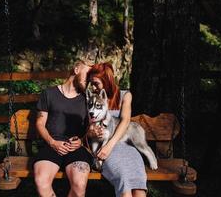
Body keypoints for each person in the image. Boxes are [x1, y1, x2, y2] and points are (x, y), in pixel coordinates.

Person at [33, 58, 93, 197]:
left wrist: (82, 141)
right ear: (76, 70)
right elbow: (40, 123)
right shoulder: (49, 94)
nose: (89, 80)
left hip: (76, 147)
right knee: (42, 181)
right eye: (87, 75)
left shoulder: (87, 99)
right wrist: (52, 142)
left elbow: (91, 128)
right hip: (51, 145)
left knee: (79, 185)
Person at [86, 62, 147, 197]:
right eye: (91, 83)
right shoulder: (91, 98)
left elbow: (125, 121)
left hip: (125, 145)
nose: (93, 87)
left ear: (107, 80)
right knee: (124, 179)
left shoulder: (125, 95)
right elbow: (86, 127)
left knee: (139, 185)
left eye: (96, 83)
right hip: (103, 148)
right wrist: (91, 132)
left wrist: (110, 145)